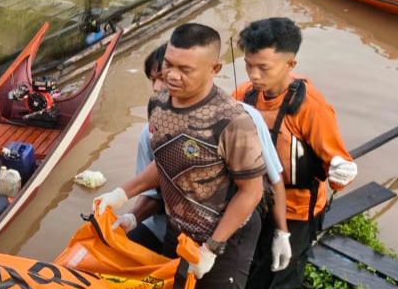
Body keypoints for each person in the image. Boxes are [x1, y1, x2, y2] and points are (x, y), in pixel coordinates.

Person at [97, 23, 264, 289]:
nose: (172, 75)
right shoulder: (159, 104)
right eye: (168, 64)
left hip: (226, 235)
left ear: (213, 67)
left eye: (184, 69)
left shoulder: (234, 122)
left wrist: (215, 247)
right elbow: (167, 163)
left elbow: (252, 192)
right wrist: (125, 193)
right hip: (180, 229)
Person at [233, 18, 357, 289]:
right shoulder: (244, 95)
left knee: (267, 286)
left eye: (263, 68)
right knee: (256, 269)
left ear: (290, 64)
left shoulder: (312, 109)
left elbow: (339, 161)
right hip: (256, 202)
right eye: (249, 66)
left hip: (299, 209)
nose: (254, 75)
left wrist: (342, 172)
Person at [118, 44, 290, 264]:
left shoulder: (240, 120)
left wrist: (281, 233)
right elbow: (154, 187)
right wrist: (128, 210)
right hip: (175, 227)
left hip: (227, 229)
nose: (160, 86)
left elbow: (267, 184)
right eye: (154, 79)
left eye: (164, 76)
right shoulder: (151, 129)